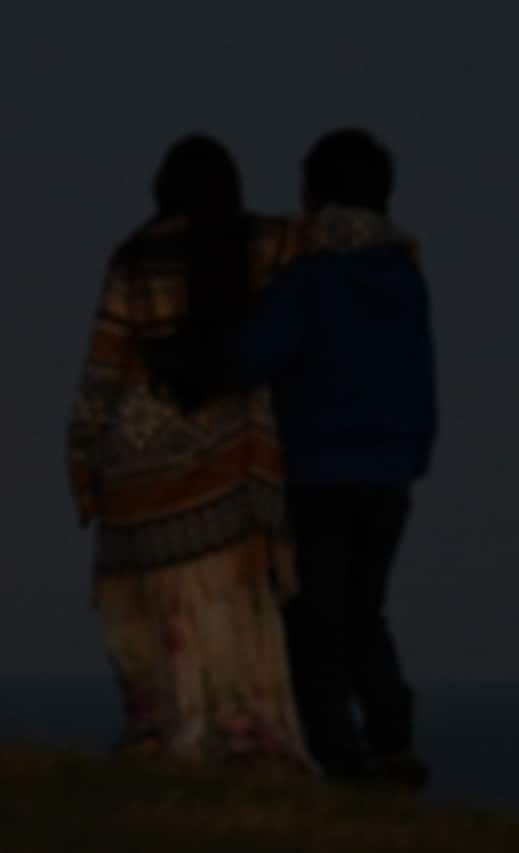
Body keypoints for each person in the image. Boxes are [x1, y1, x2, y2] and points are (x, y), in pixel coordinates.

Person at [157, 129, 438, 787]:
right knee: (366, 611)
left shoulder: (310, 279)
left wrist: (185, 366)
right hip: (389, 472)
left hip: (316, 470)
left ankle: (339, 758)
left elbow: (254, 356)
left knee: (313, 617)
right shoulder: (404, 277)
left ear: (316, 194)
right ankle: (392, 740)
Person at [66, 135, 316, 775]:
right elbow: (336, 250)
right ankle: (244, 736)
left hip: (138, 467)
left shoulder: (135, 256)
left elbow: (104, 369)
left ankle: (162, 733)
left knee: (152, 612)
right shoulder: (268, 242)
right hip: (230, 460)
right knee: (233, 608)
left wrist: (82, 458)